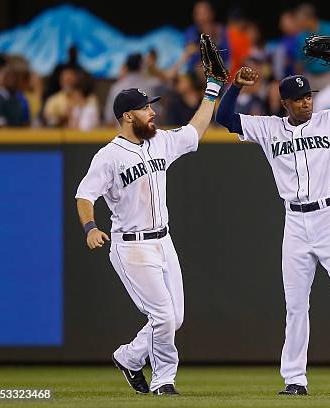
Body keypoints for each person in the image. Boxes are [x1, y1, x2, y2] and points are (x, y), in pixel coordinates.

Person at [216, 60, 330, 395]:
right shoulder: (269, 128)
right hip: (294, 221)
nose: (307, 101)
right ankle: (295, 379)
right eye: (300, 98)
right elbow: (224, 119)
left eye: (309, 96)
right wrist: (235, 87)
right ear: (286, 103)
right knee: (295, 305)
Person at [75, 70, 225, 394]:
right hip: (132, 246)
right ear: (128, 116)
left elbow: (195, 130)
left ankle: (129, 357)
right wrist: (90, 227)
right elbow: (84, 195)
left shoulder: (160, 142)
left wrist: (212, 89)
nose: (153, 112)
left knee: (175, 318)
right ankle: (164, 381)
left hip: (163, 241)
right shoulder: (109, 156)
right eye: (146, 108)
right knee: (163, 315)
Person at [104, 54, 160, 125]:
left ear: (127, 67)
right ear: (141, 67)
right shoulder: (148, 86)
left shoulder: (117, 87)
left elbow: (108, 118)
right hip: (148, 133)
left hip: (124, 133)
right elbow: (157, 114)